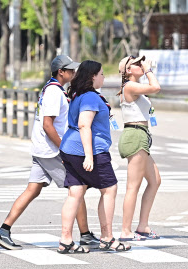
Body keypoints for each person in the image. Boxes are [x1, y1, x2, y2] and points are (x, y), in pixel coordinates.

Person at [0, 55, 101, 250]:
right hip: (50, 151)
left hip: (41, 148)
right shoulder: (53, 92)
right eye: (71, 70)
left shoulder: (53, 89)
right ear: (61, 72)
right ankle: (84, 235)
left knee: (33, 189)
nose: (74, 73)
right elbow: (48, 125)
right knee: (77, 187)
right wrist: (63, 148)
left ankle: (3, 230)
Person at [57, 60, 128, 254]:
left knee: (76, 192)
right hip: (89, 150)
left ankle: (66, 240)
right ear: (92, 76)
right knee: (109, 189)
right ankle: (107, 237)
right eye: (102, 74)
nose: (104, 77)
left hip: (69, 148)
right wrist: (89, 156)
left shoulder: (79, 94)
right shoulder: (89, 97)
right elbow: (84, 125)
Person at [116, 55, 162, 241]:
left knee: (155, 180)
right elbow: (156, 87)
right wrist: (149, 70)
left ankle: (142, 226)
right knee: (133, 186)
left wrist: (146, 70)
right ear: (128, 70)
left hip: (140, 133)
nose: (141, 64)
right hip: (134, 134)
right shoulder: (129, 86)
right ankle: (126, 231)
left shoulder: (136, 88)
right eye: (136, 63)